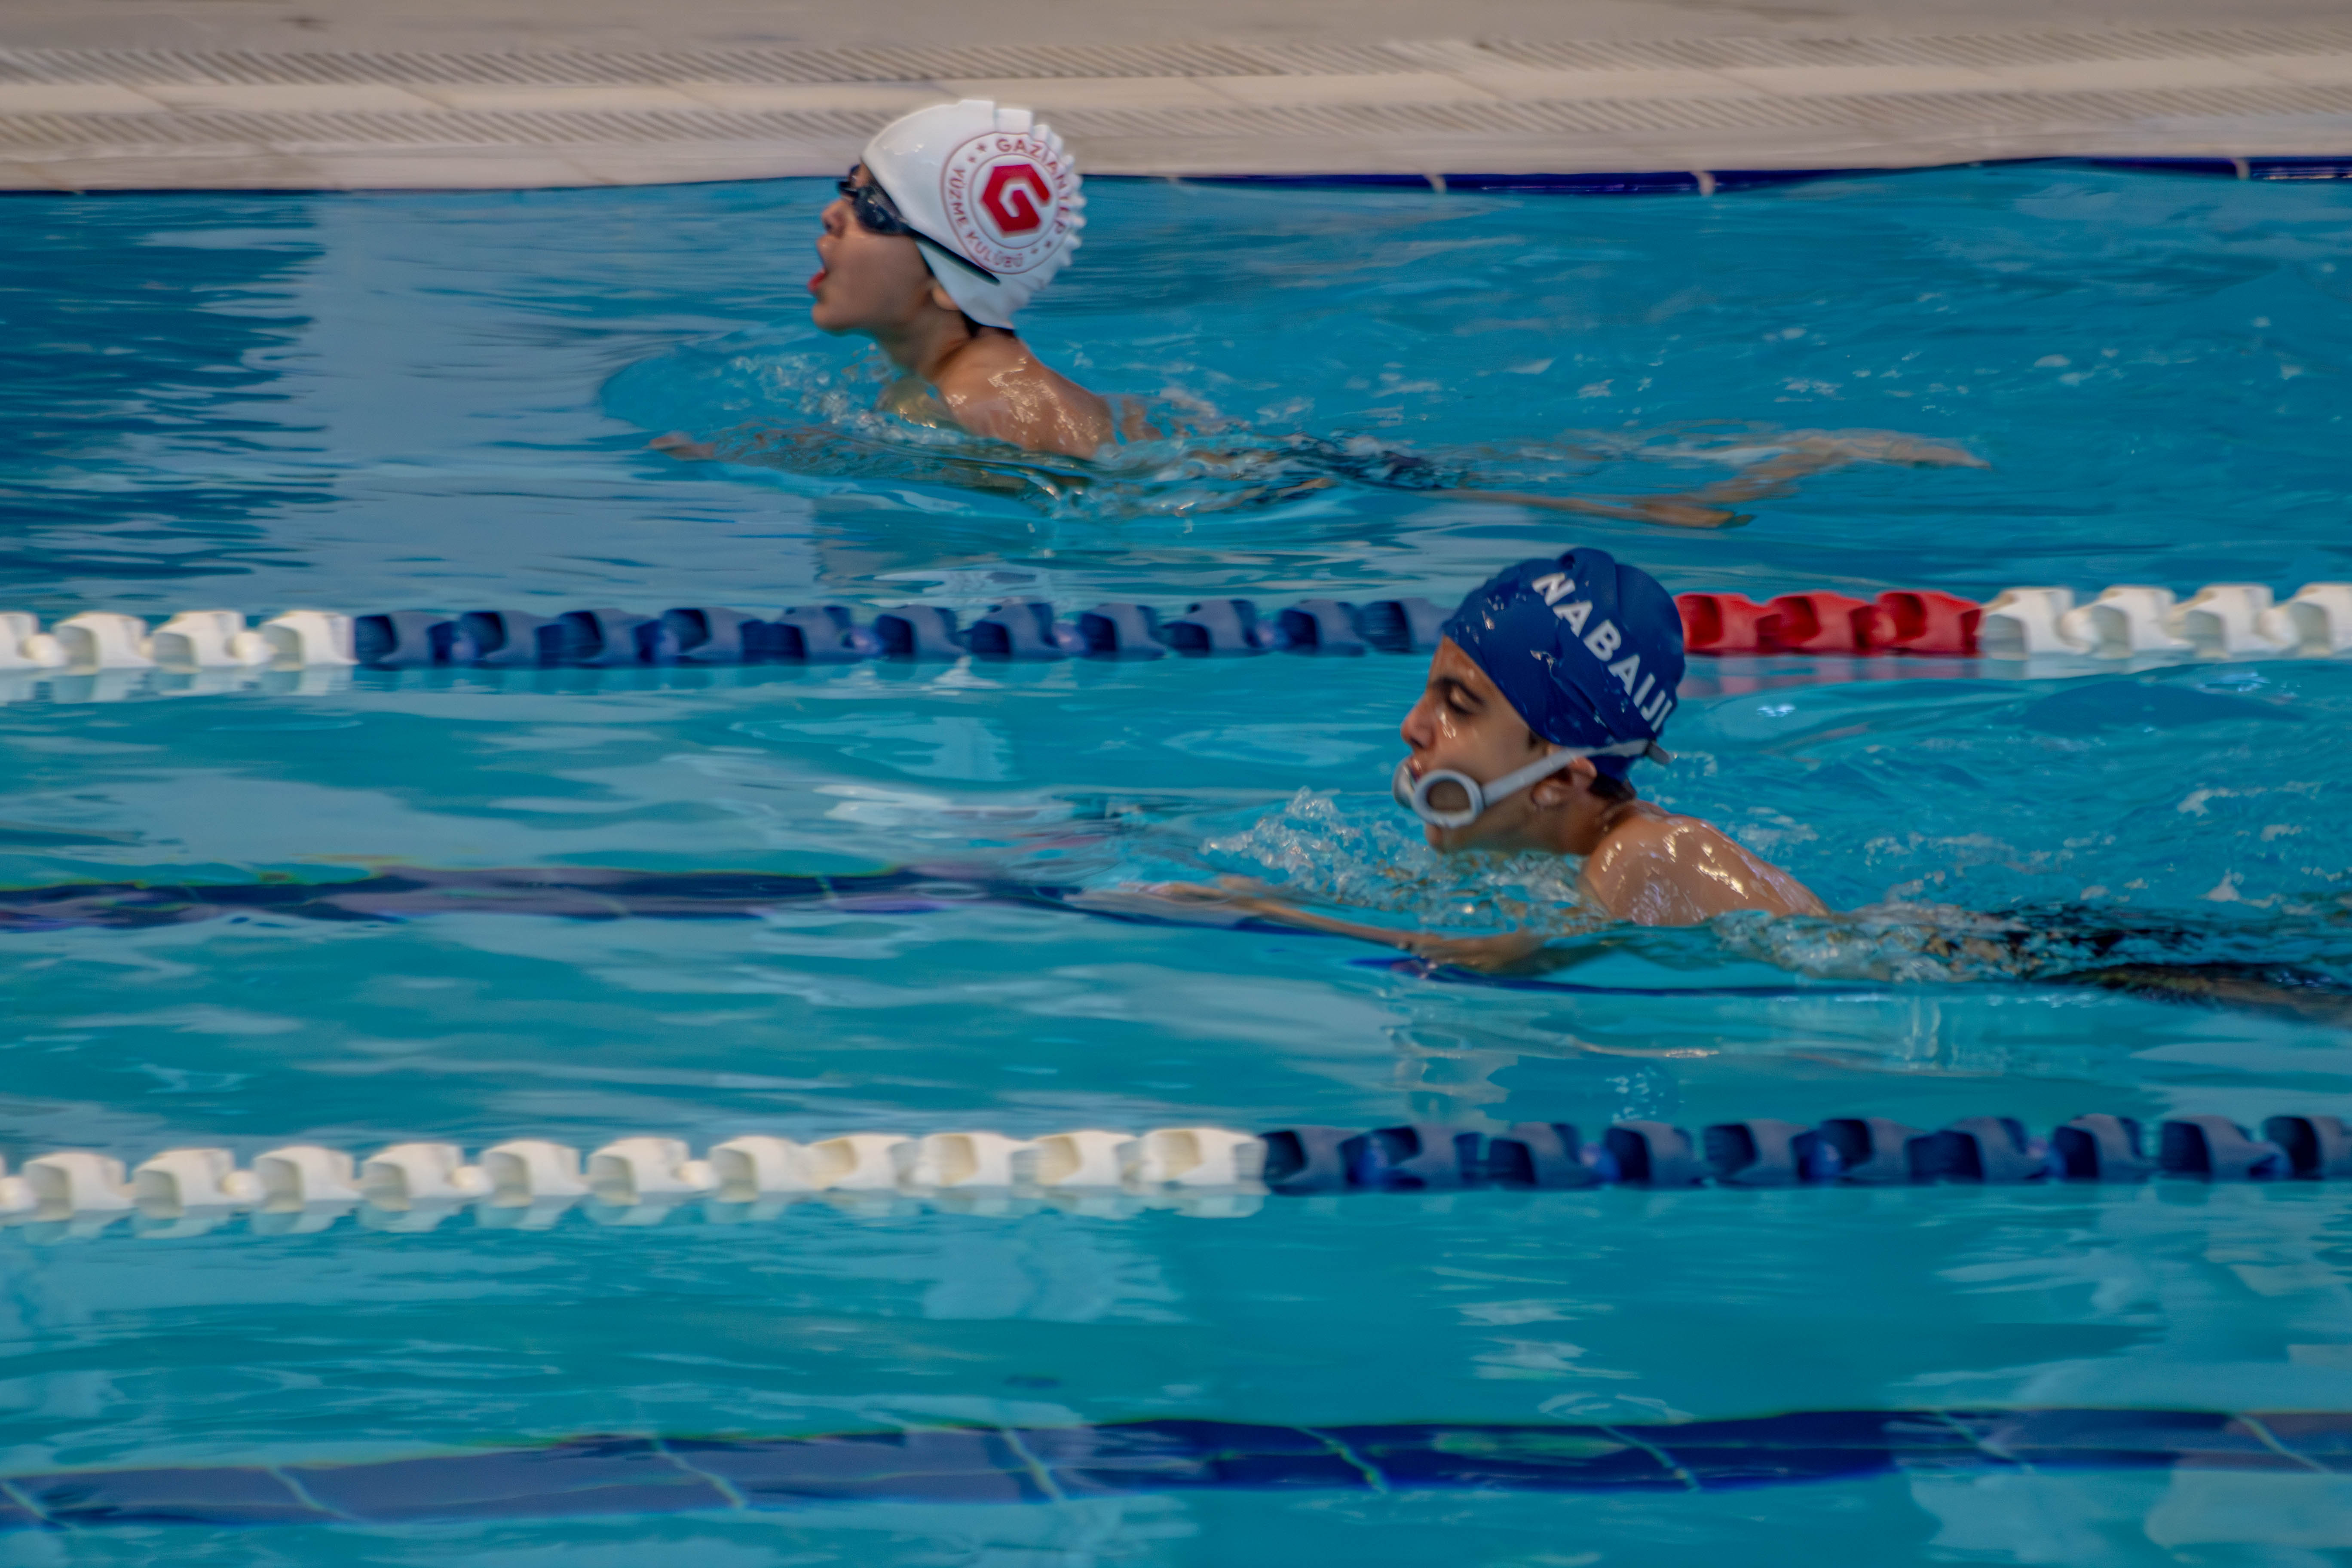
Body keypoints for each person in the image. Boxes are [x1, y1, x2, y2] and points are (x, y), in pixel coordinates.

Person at [1147, 547, 1828, 969]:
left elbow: (1488, 955)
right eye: (1429, 692)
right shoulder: (1558, 856)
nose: (1413, 727)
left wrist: (1257, 906)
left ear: (1559, 776)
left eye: (1460, 705)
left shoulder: (1649, 854)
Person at [805, 98, 1115, 460]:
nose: (831, 214)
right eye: (849, 186)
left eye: (871, 207)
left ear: (950, 284)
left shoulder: (979, 402)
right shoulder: (967, 383)